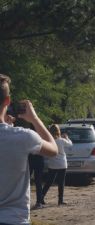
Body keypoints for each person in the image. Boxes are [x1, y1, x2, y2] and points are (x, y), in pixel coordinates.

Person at [0, 74, 58, 225]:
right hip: (14, 219)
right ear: (7, 101)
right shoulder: (22, 137)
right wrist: (34, 119)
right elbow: (53, 150)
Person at [42, 125, 72, 206]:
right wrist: (67, 138)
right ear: (59, 131)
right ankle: (60, 200)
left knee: (49, 182)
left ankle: (41, 197)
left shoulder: (49, 141)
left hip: (53, 164)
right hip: (62, 163)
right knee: (61, 182)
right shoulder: (61, 140)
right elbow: (70, 144)